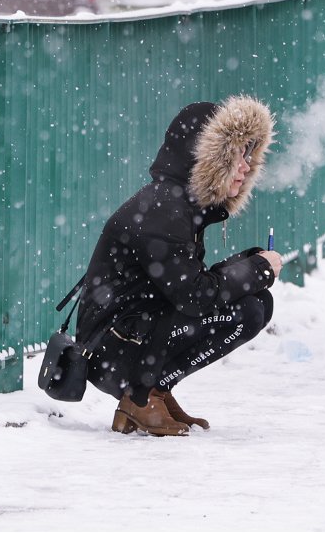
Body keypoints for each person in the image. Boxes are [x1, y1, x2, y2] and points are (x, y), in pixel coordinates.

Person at [75, 96, 282, 436]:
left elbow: (184, 284)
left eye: (249, 155)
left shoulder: (178, 203)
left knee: (257, 302)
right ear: (209, 157)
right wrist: (256, 271)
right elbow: (194, 296)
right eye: (238, 154)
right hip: (110, 348)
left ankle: (153, 390)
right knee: (249, 310)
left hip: (130, 336)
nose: (245, 166)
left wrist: (249, 265)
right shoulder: (164, 209)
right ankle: (140, 397)